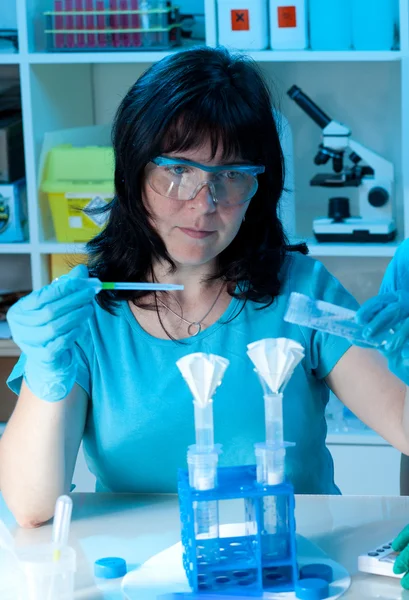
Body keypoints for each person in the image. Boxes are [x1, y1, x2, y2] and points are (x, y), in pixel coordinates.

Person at [1, 46, 409, 530]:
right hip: (139, 572)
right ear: (133, 174)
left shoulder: (299, 292)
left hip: (294, 565)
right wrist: (48, 376)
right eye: (178, 172)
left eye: (231, 175)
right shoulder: (89, 312)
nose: (203, 204)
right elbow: (32, 507)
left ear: (260, 187)